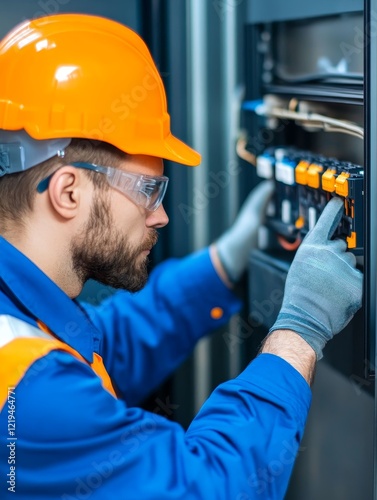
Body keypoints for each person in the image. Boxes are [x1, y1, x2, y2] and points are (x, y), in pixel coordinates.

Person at [0, 13, 362, 500]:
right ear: (69, 192)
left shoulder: (20, 319)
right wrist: (300, 329)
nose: (162, 216)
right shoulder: (29, 389)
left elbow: (111, 343)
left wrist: (224, 262)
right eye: (150, 190)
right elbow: (210, 487)